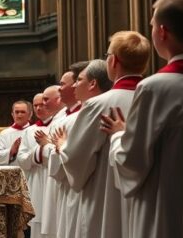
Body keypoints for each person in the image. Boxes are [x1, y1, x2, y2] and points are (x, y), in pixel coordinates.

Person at [104, 0, 183, 237]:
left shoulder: (154, 88)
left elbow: (132, 162)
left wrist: (119, 136)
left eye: (151, 25)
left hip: (167, 212)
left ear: (162, 32)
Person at [60, 31, 150, 238]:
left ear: (113, 61)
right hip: (147, 197)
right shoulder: (155, 97)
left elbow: (76, 159)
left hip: (105, 198)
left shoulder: (98, 105)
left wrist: (63, 146)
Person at [49, 60, 111, 238]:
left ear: (93, 83)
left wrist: (60, 147)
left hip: (84, 192)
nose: (75, 84)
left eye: (79, 80)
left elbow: (71, 163)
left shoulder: (84, 114)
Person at [16, 88, 61, 238]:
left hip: (53, 179)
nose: (38, 108)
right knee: (36, 225)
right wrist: (38, 153)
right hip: (35, 182)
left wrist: (44, 148)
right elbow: (22, 160)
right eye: (35, 106)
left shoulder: (59, 124)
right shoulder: (29, 131)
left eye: (41, 104)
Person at [0, 100, 32, 165]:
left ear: (30, 114)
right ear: (12, 114)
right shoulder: (4, 133)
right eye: (17, 112)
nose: (19, 115)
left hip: (31, 172)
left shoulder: (35, 132)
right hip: (11, 172)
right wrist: (11, 151)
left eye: (23, 112)